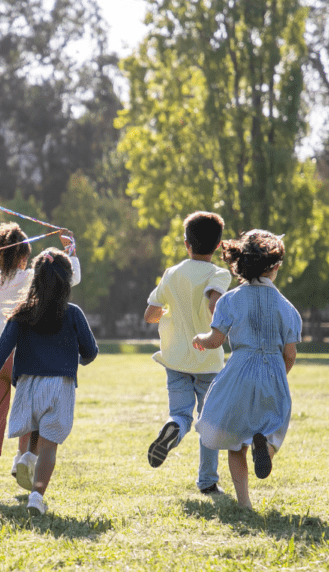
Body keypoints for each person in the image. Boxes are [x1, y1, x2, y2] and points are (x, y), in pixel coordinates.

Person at [0, 223, 80, 503]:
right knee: (32, 407)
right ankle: (23, 458)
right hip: (24, 353)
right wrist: (70, 250)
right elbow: (70, 278)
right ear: (24, 256)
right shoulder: (30, 278)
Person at [0, 248, 98, 515]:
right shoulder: (74, 313)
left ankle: (27, 456)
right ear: (66, 282)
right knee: (49, 446)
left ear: (35, 279)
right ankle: (36, 496)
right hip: (60, 385)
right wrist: (77, 360)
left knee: (33, 425)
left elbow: (2, 350)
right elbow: (91, 351)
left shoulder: (21, 313)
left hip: (28, 385)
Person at [192, 229, 301, 509]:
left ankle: (244, 504)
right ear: (275, 267)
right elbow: (290, 354)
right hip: (273, 372)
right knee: (273, 428)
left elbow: (215, 341)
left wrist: (200, 339)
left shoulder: (229, 300)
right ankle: (265, 447)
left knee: (234, 442)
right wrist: (277, 376)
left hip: (239, 372)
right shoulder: (287, 308)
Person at [143, 211, 231, 495]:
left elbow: (150, 314)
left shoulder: (172, 273)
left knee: (180, 414)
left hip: (175, 358)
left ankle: (172, 428)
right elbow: (214, 304)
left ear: (186, 244)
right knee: (209, 422)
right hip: (207, 359)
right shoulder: (219, 273)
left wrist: (171, 312)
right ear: (218, 246)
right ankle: (207, 482)